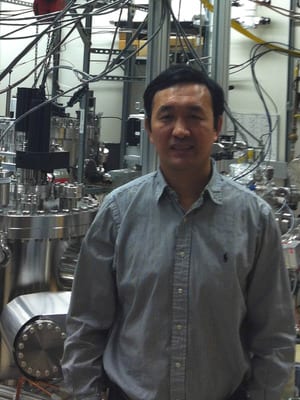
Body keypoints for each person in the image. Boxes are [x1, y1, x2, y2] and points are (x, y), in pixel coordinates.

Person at [62, 64, 295, 400]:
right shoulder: (118, 212)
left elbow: (274, 336)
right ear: (149, 128)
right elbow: (86, 326)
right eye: (167, 116)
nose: (180, 130)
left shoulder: (253, 219)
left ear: (216, 127)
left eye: (195, 117)